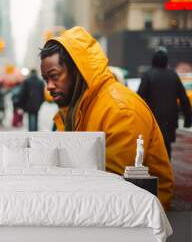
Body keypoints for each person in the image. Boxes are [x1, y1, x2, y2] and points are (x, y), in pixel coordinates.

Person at [40, 26, 174, 210]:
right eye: (46, 79)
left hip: (135, 223)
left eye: (54, 76)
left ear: (77, 70)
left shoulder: (120, 110)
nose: (49, 86)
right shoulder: (76, 109)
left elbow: (117, 194)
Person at [137, 47, 191, 159]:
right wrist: (188, 119)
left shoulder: (148, 75)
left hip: (153, 118)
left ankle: (155, 171)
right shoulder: (173, 75)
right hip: (170, 119)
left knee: (152, 147)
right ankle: (166, 171)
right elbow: (183, 98)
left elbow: (139, 98)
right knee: (167, 147)